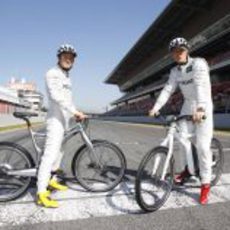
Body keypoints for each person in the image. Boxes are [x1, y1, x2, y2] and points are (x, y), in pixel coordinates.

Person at [149, 37, 214, 205]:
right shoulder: (175, 71)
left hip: (203, 104)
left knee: (202, 146)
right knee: (181, 138)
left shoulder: (199, 63)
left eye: (181, 50)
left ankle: (205, 183)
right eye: (174, 52)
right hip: (187, 105)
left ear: (187, 50)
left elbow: (201, 86)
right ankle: (189, 168)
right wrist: (156, 107)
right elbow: (168, 89)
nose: (178, 54)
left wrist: (200, 109)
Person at [37, 44, 87, 208]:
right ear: (58, 58)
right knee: (50, 155)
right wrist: (74, 111)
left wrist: (75, 112)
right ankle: (41, 193)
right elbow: (56, 96)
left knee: (60, 152)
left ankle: (52, 180)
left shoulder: (66, 77)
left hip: (64, 119)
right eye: (65, 56)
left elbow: (68, 100)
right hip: (55, 120)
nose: (68, 59)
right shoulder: (52, 73)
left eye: (71, 57)